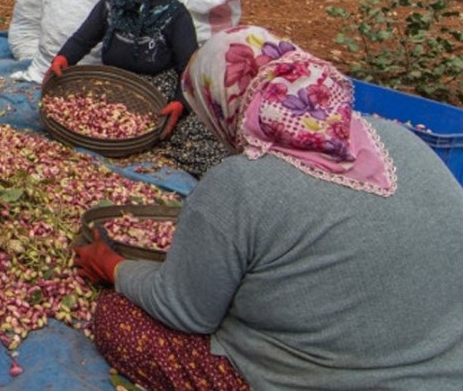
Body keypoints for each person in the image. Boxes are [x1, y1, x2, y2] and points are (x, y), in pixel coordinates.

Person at [74, 25, 463, 391]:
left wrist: (113, 267)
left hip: (330, 378)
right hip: (447, 362)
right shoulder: (399, 138)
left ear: (220, 104)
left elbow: (185, 313)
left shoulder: (239, 183)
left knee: (117, 319)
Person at [44, 0, 228, 176]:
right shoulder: (111, 5)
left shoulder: (174, 15)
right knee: (78, 115)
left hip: (157, 90)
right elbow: (82, 40)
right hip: (114, 86)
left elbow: (189, 68)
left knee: (197, 141)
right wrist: (63, 59)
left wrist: (179, 103)